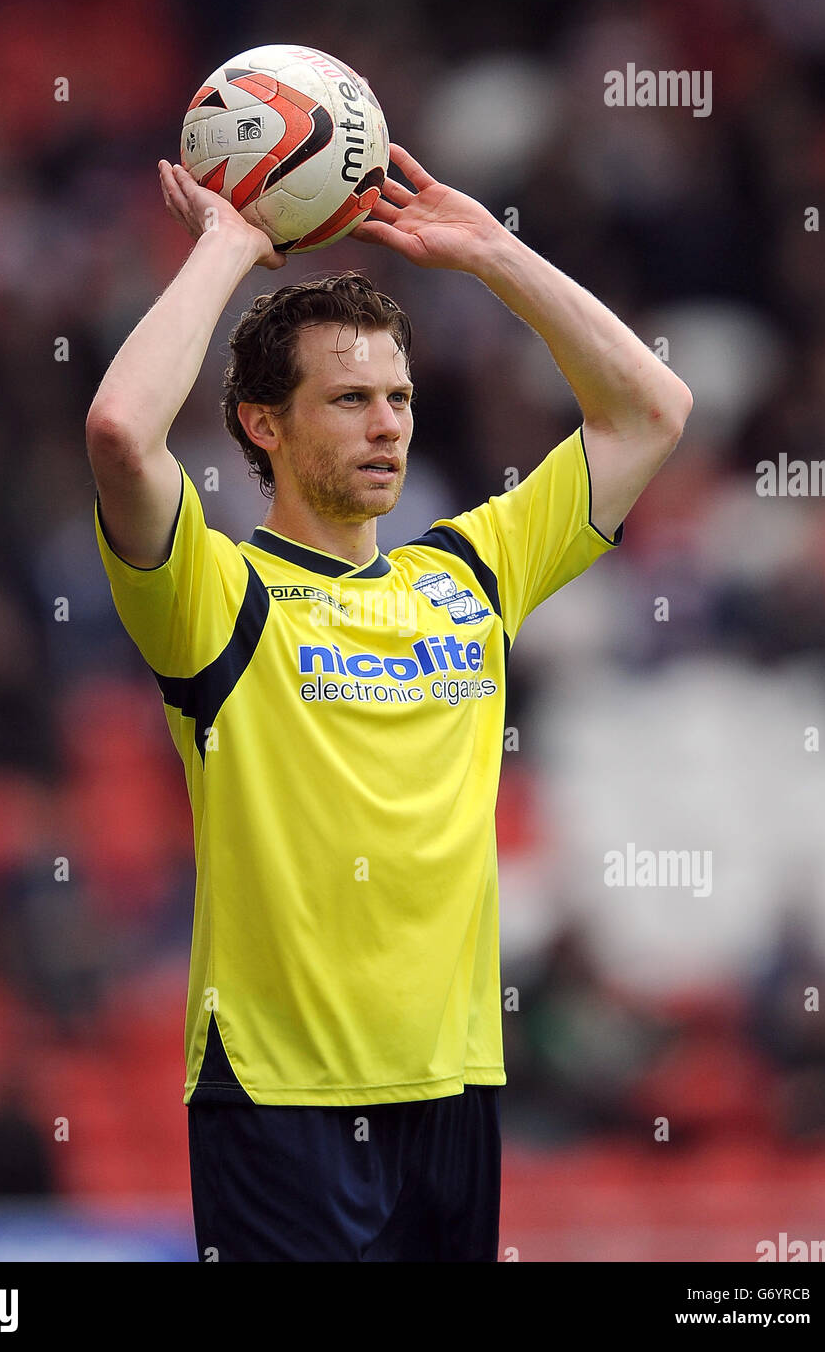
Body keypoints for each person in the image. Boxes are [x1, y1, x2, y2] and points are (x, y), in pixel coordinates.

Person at [85, 143, 692, 1262]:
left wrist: (496, 255)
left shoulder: (467, 575)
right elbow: (123, 432)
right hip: (279, 1095)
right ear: (263, 424)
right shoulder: (218, 597)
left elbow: (650, 410)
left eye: (400, 397)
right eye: (351, 398)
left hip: (454, 1083)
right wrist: (228, 248)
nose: (388, 425)